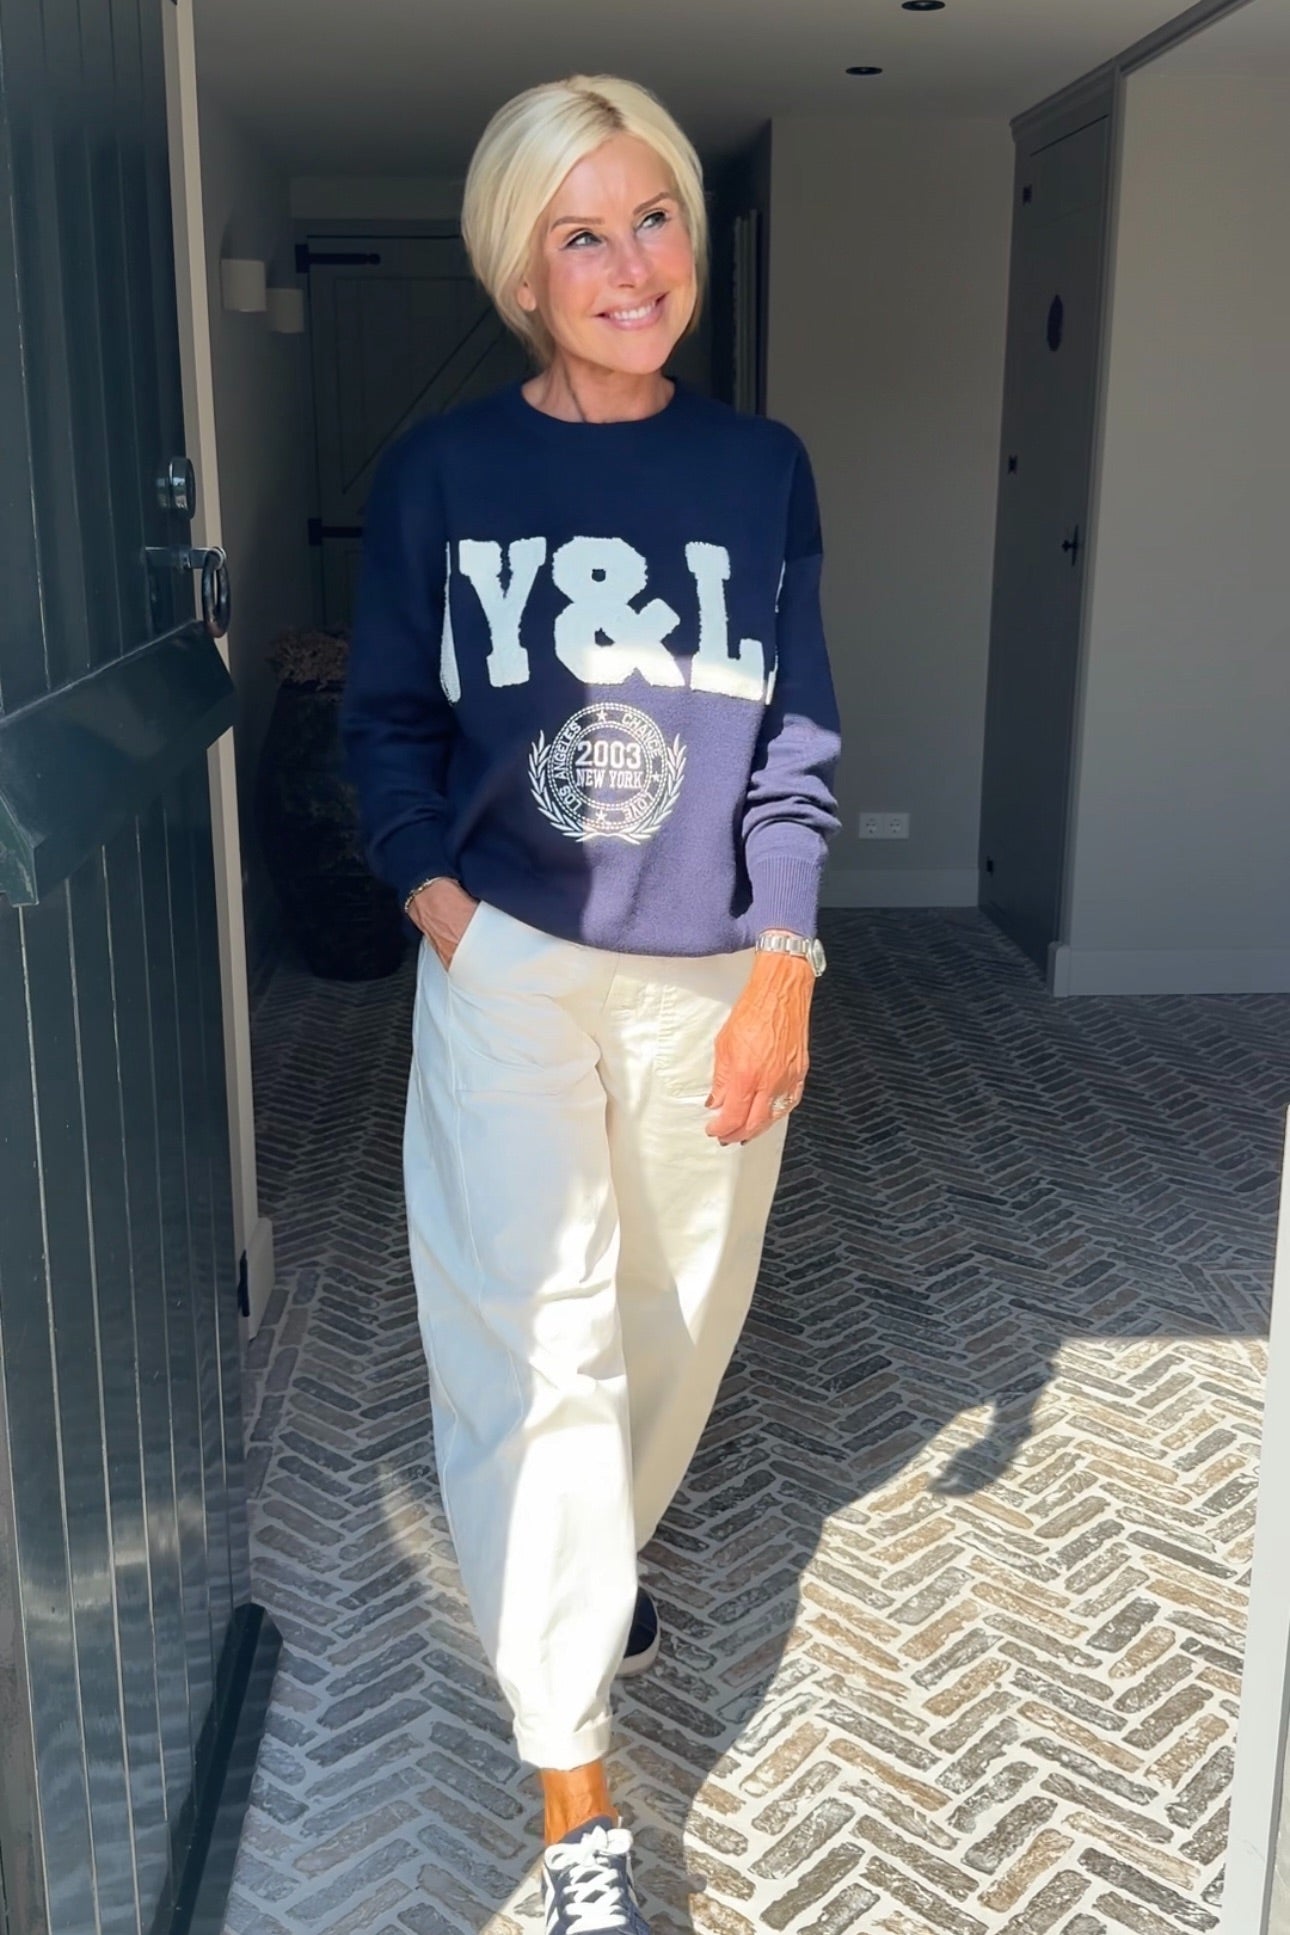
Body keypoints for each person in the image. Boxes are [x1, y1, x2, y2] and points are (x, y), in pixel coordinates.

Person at [341, 72, 840, 1934]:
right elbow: (384, 721)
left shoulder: (758, 469)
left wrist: (781, 964)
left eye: (653, 219)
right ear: (521, 272)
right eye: (582, 234)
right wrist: (447, 910)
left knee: (669, 1326)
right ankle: (576, 1802)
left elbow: (793, 737)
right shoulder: (442, 475)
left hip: (712, 970)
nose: (632, 265)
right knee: (535, 1354)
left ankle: (583, 1562)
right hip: (514, 969)